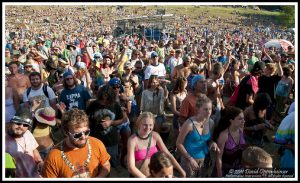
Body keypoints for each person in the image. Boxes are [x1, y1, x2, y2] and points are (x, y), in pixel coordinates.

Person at [41, 108, 111, 178]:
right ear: (66, 132)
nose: (83, 137)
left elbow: (106, 165)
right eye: (77, 135)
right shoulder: (53, 157)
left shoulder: (97, 143)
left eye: (86, 132)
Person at [127, 112, 186, 178]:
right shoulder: (132, 140)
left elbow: (168, 154)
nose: (148, 127)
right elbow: (131, 167)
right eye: (145, 124)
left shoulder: (155, 136)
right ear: (139, 124)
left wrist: (181, 170)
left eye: (150, 125)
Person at [176, 95, 219, 177]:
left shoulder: (211, 123)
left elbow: (209, 140)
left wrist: (213, 144)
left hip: (203, 160)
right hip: (188, 161)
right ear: (198, 109)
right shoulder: (189, 124)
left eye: (210, 109)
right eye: (205, 109)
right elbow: (178, 143)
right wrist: (190, 159)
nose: (209, 112)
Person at [5, 107, 43, 177]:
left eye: (25, 125)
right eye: (18, 123)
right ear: (12, 122)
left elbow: (34, 149)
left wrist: (39, 161)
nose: (21, 126)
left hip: (33, 174)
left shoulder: (28, 133)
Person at [214, 106, 247, 177]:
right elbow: (218, 158)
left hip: (238, 169)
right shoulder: (224, 135)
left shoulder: (240, 129)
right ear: (231, 120)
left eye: (243, 118)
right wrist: (220, 176)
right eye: (240, 119)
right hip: (224, 170)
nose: (243, 121)